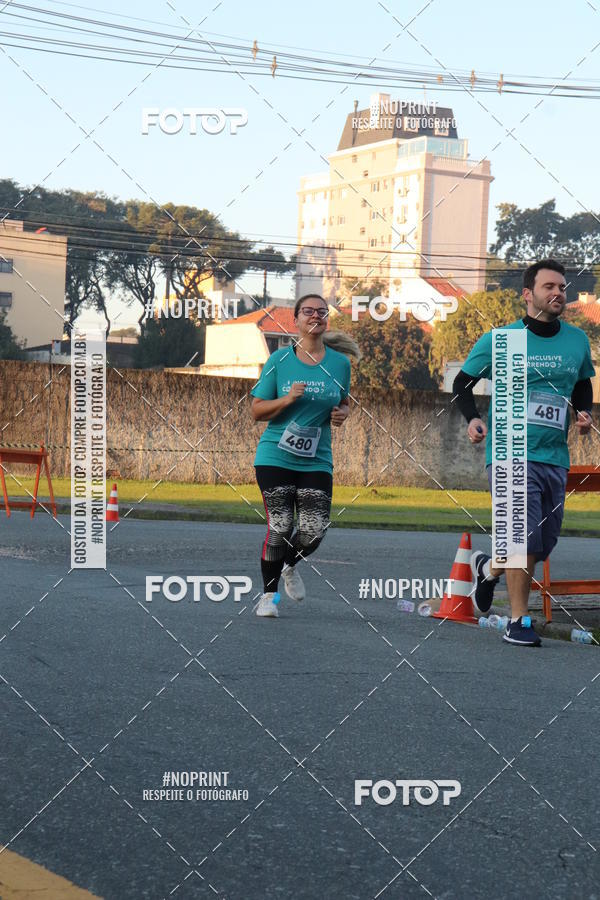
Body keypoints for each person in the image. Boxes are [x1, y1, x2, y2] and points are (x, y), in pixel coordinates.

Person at [453, 260, 594, 646]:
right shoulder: (502, 340)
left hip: (553, 455)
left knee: (542, 544)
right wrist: (471, 418)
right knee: (521, 538)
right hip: (509, 449)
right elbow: (463, 383)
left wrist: (584, 413)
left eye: (562, 287)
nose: (558, 293)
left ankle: (488, 569)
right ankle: (519, 621)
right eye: (549, 286)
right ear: (528, 294)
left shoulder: (577, 341)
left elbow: (582, 384)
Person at [250, 295, 360, 617]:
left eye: (321, 311)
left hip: (316, 458)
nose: (316, 315)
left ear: (327, 320)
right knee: (281, 525)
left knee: (314, 529)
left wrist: (342, 413)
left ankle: (288, 565)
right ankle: (268, 598)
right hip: (275, 455)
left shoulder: (339, 364)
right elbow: (256, 410)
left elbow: (343, 402)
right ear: (296, 320)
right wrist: (286, 400)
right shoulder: (280, 361)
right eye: (308, 311)